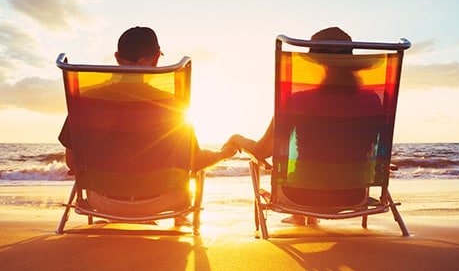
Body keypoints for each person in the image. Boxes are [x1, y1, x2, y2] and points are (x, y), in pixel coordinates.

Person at [59, 26, 237, 225]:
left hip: (101, 202)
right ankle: (175, 219)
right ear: (154, 59)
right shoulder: (172, 105)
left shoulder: (87, 101)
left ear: (117, 57)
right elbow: (194, 162)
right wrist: (223, 153)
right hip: (162, 202)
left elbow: (73, 162)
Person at [230, 27, 382, 225]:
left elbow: (262, 151)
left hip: (299, 195)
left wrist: (237, 140)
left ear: (319, 65)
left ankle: (301, 214)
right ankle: (305, 215)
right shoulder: (372, 101)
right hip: (353, 195)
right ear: (351, 63)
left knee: (305, 173)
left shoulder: (298, 101)